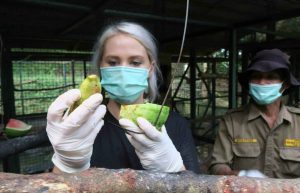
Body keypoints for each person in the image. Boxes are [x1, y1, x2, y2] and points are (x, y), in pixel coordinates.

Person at [46, 21, 200, 174]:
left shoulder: (176, 125)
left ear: (150, 69)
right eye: (113, 62)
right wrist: (68, 163)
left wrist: (175, 170)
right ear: (101, 66)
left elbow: (198, 184)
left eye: (135, 62)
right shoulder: (82, 126)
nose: (123, 71)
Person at [209, 49, 300, 178]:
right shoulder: (232, 121)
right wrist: (241, 175)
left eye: (271, 77)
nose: (262, 82)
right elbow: (218, 165)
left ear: (285, 84)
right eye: (256, 77)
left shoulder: (298, 122)